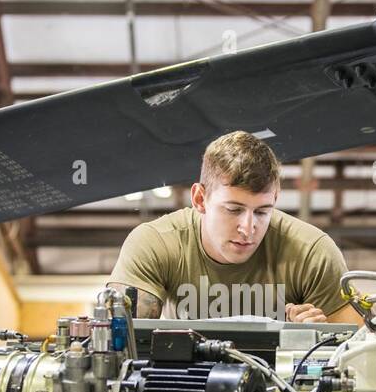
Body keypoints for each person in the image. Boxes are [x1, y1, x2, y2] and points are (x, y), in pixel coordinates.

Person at [107, 131, 362, 324]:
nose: (248, 228)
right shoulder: (156, 243)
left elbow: (359, 352)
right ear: (199, 199)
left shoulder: (311, 252)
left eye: (262, 212)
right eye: (233, 210)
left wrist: (317, 338)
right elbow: (123, 340)